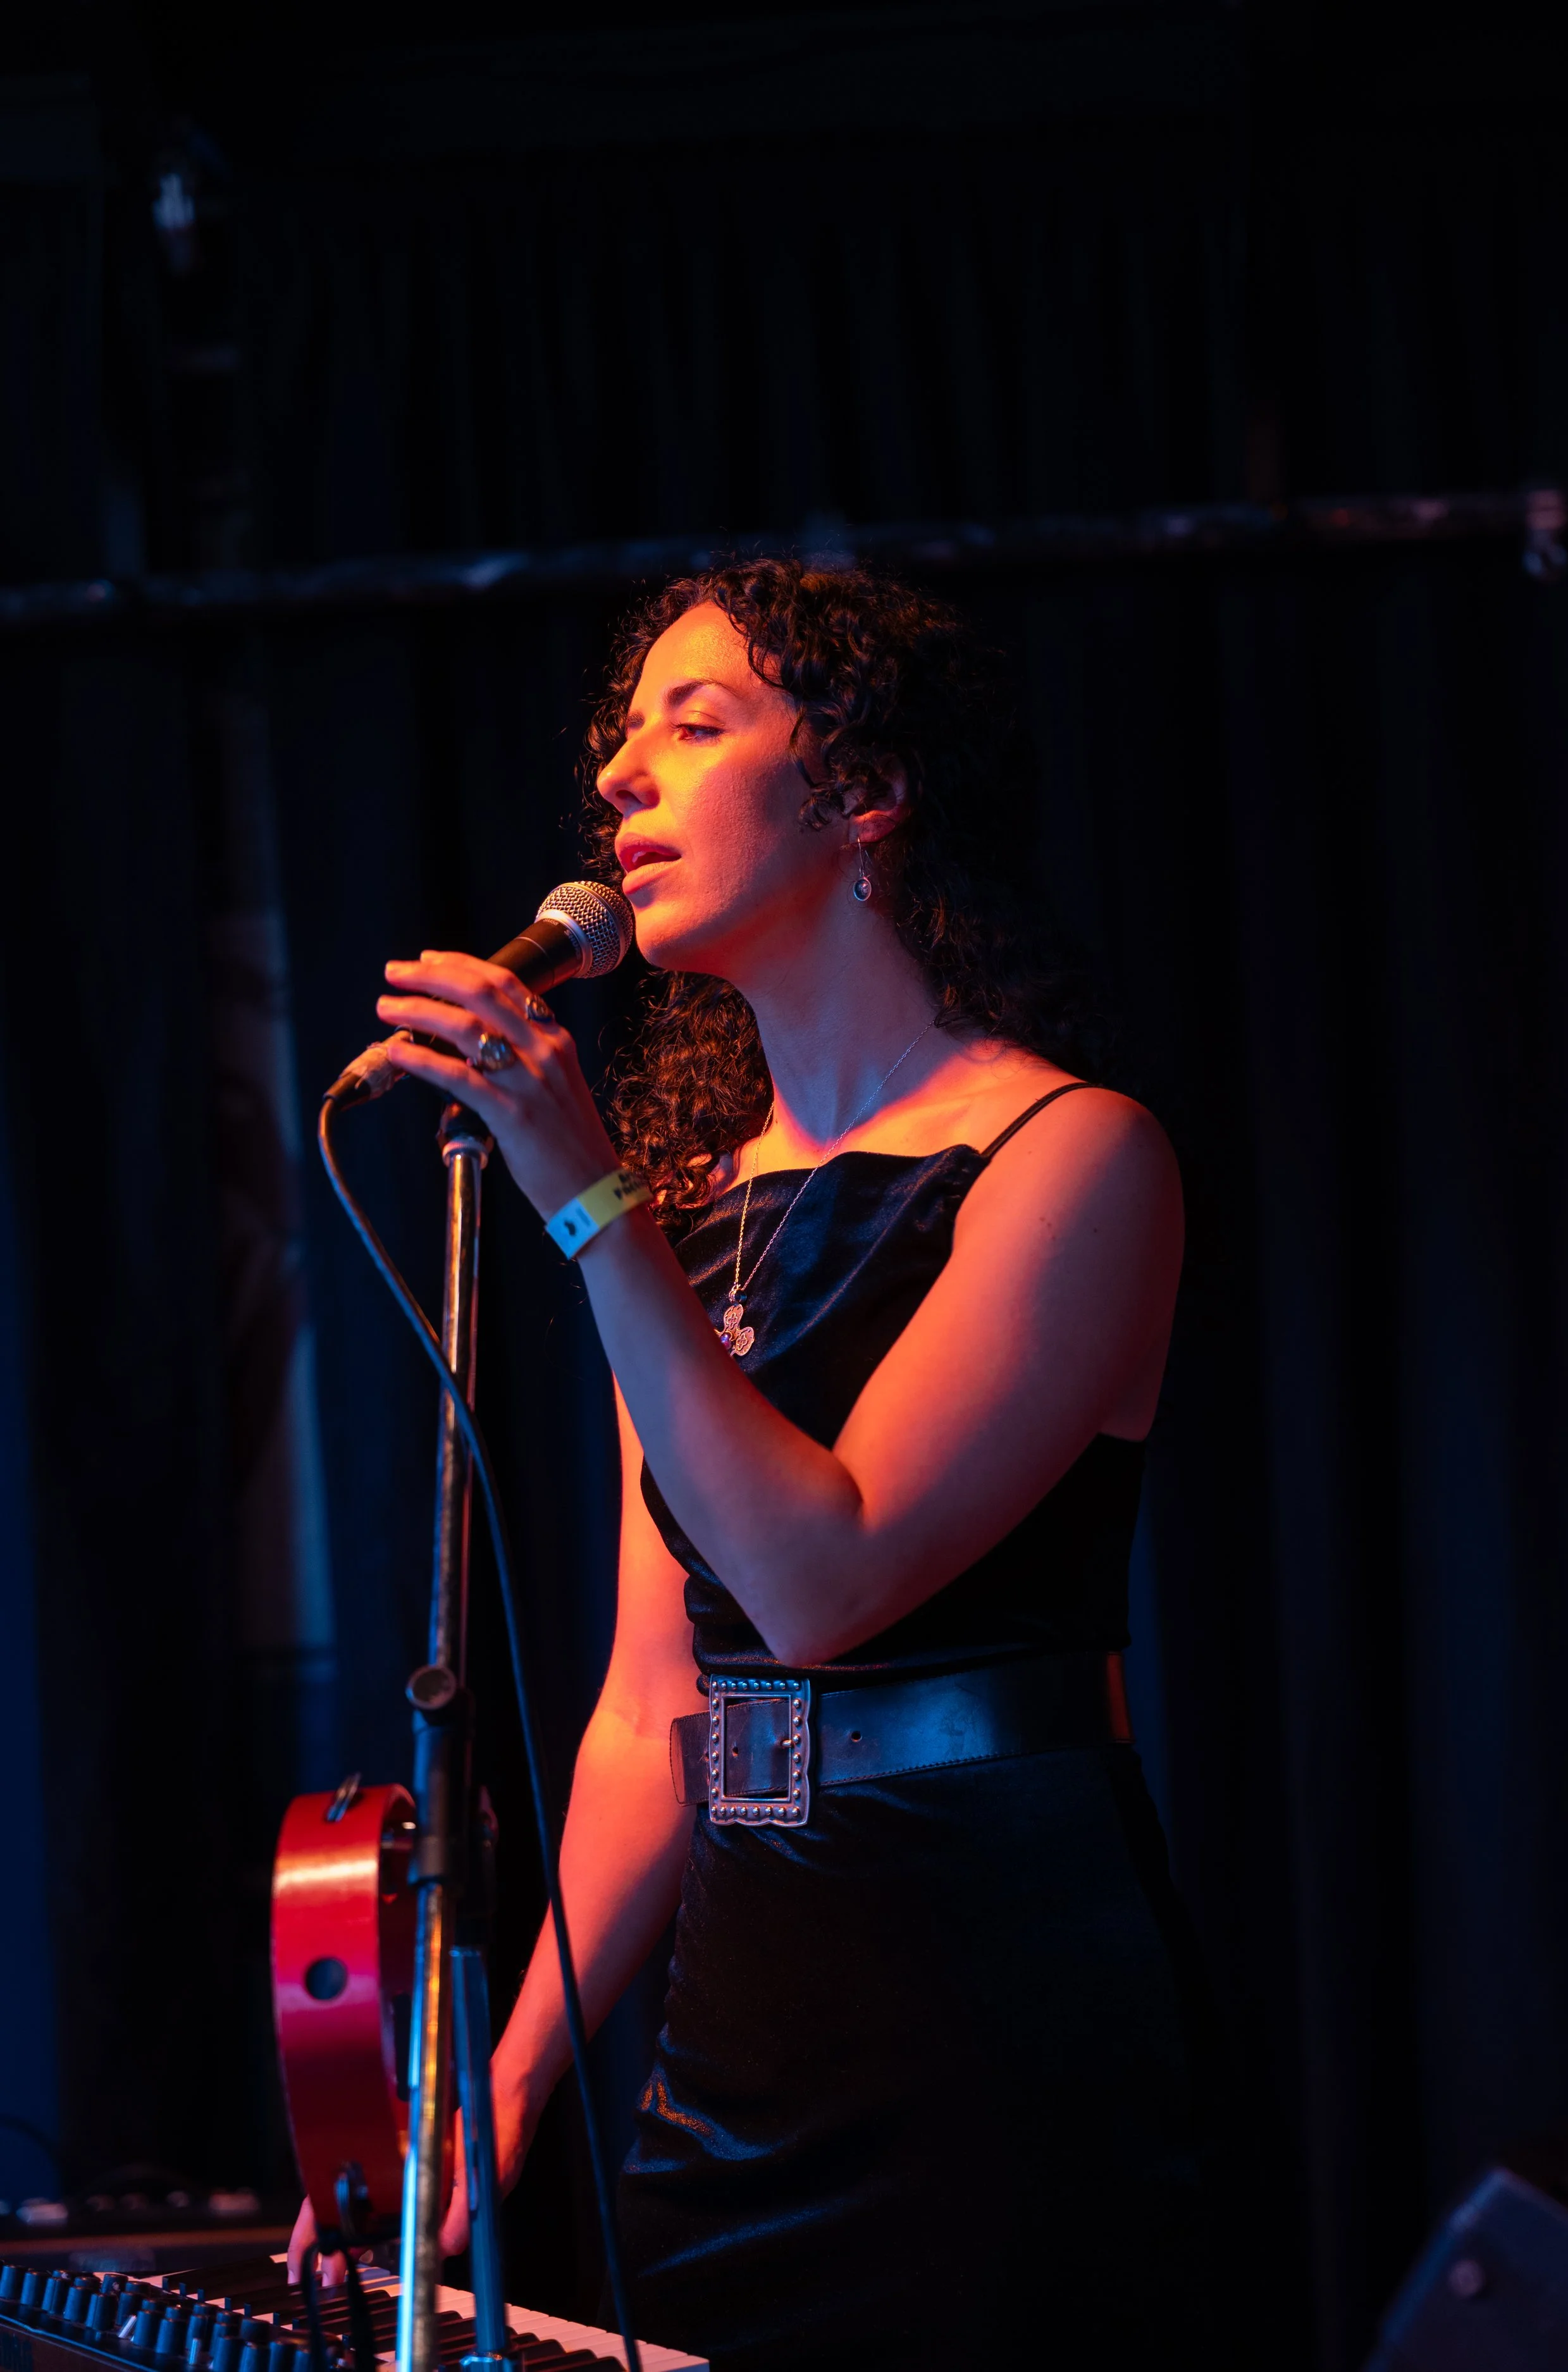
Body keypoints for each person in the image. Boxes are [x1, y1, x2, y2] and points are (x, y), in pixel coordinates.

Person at [292, 560, 1225, 2369]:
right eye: (619, 737)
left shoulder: (1073, 1156)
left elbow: (821, 1581)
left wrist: (584, 1197)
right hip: (746, 2024)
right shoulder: (696, 1211)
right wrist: (506, 2078)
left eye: (694, 722)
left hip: (990, 1997)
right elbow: (662, 1703)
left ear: (862, 790)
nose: (623, 778)